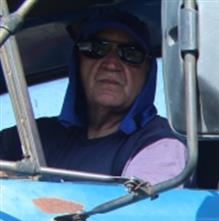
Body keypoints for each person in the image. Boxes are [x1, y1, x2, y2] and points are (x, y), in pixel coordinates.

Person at [0, 10, 186, 184]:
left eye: (130, 53)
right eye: (96, 48)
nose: (111, 64)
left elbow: (137, 213)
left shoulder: (160, 144)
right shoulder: (38, 138)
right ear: (78, 62)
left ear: (148, 71)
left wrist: (18, 184)